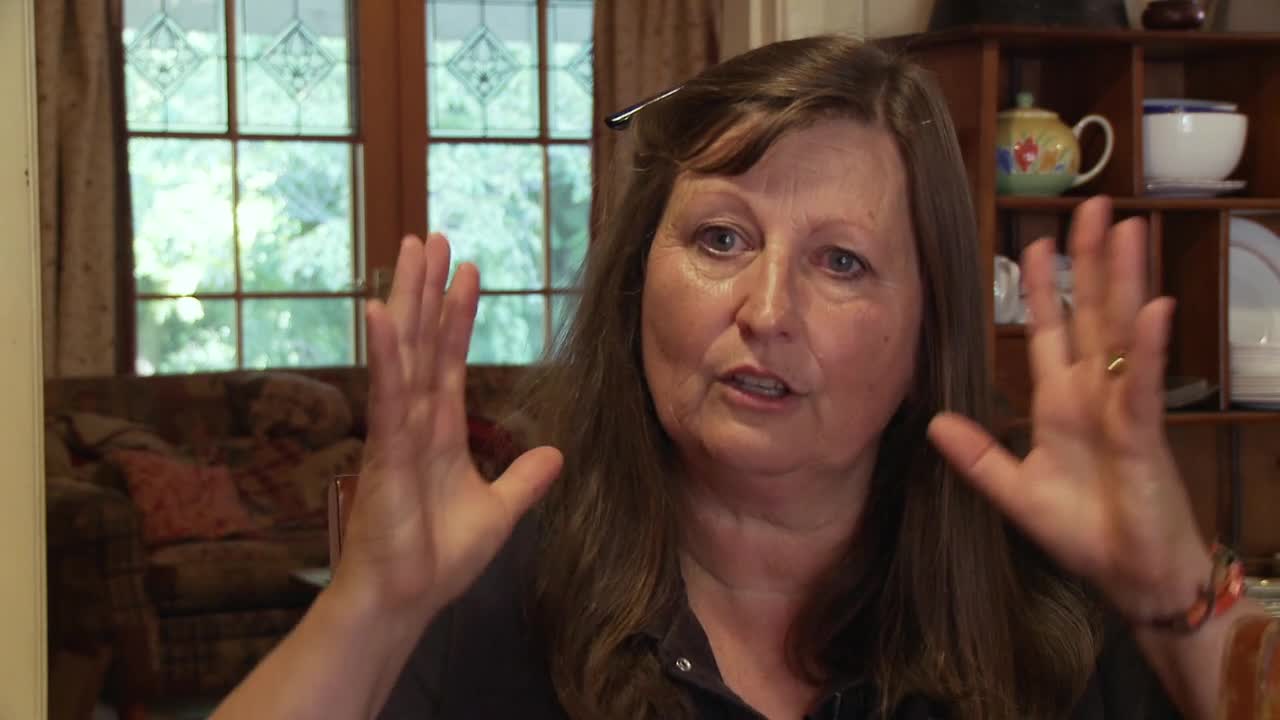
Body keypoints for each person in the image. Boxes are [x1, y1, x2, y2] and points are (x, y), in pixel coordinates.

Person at [209, 35, 1273, 719]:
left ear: (926, 332)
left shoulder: (1043, 610)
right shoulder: (492, 598)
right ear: (639, 281)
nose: (766, 311)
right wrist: (369, 613)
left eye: (841, 261)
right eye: (720, 239)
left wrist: (1173, 593)